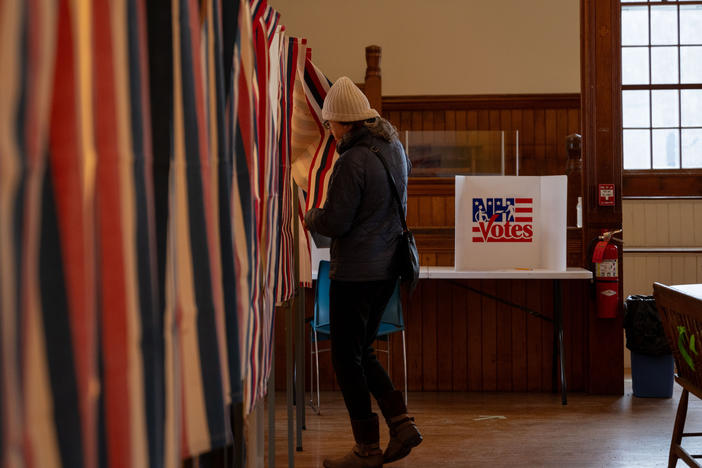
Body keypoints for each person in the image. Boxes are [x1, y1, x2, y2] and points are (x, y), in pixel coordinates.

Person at [305, 76, 422, 468]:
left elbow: (336, 221)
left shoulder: (352, 159)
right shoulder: (393, 148)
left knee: (344, 357)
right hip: (388, 268)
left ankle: (367, 449)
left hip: (355, 272)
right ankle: (401, 423)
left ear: (345, 122)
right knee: (362, 350)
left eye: (331, 124)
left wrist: (309, 216)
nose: (330, 131)